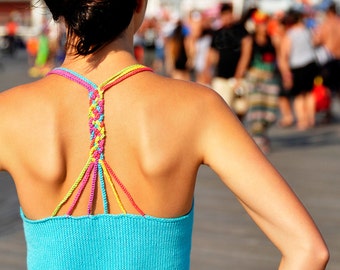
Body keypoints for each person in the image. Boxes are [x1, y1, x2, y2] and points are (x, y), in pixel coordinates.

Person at [0, 0, 329, 269]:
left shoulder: (9, 113)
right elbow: (308, 250)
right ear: (139, 5)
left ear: (56, 8)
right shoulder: (198, 107)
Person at [205, 3, 253, 120]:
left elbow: (246, 52)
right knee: (222, 108)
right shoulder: (217, 33)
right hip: (221, 76)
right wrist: (206, 71)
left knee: (241, 108)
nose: (227, 17)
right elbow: (211, 54)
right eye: (224, 15)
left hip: (239, 77)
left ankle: (239, 129)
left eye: (229, 14)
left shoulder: (241, 30)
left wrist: (239, 75)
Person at [245, 11, 281, 154]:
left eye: (265, 23)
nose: (263, 26)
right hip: (254, 78)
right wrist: (238, 77)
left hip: (270, 78)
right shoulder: (250, 40)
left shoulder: (273, 39)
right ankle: (258, 139)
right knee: (257, 111)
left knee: (271, 114)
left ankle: (261, 134)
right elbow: (245, 58)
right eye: (260, 24)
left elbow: (281, 57)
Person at [278, 9, 319, 130]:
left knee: (298, 96)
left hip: (297, 66)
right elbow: (316, 42)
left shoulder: (290, 35)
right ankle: (311, 118)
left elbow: (284, 55)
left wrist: (286, 74)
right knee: (309, 93)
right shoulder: (307, 31)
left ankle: (302, 120)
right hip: (311, 64)